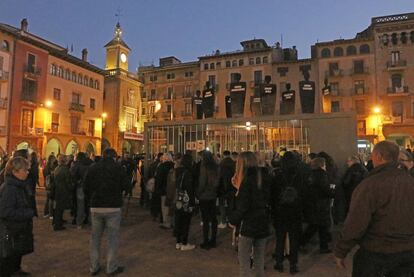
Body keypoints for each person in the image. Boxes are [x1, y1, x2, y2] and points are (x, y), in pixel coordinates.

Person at [334, 141, 414, 277]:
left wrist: (341, 250)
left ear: (379, 156)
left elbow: (356, 222)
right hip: (407, 252)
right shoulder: (409, 181)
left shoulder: (370, 185)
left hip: (376, 253)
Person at [84, 148, 129, 276]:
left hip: (96, 206)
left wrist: (92, 199)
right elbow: (127, 185)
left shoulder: (93, 168)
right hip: (113, 207)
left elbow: (86, 186)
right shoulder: (118, 168)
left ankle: (94, 267)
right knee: (112, 239)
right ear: (114, 157)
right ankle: (111, 267)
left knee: (95, 238)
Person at [229, 152, 270, 277]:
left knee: (244, 263)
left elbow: (243, 206)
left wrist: (233, 220)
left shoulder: (246, 181)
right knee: (259, 262)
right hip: (263, 223)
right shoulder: (265, 177)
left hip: (248, 225)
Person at [0, 157, 35, 276]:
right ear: (15, 172)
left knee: (16, 253)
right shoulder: (9, 189)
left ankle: (16, 270)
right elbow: (5, 212)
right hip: (11, 229)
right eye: (24, 170)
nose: (27, 172)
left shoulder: (19, 186)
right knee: (8, 258)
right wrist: (27, 213)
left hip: (18, 229)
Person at [271, 151, 303, 274]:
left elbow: (273, 195)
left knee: (280, 238)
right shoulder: (299, 176)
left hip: (280, 210)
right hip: (295, 211)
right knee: (294, 239)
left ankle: (279, 262)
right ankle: (293, 264)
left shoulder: (278, 175)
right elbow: (303, 194)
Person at [301, 157, 332, 254]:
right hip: (321, 204)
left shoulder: (309, 174)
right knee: (320, 226)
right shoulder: (322, 175)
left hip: (312, 204)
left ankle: (303, 243)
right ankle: (323, 246)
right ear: (322, 165)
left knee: (314, 226)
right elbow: (325, 189)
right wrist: (332, 191)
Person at [197, 151, 219, 249]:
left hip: (204, 196)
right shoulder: (216, 167)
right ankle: (213, 240)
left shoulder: (204, 167)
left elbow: (202, 182)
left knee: (205, 220)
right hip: (213, 195)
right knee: (213, 219)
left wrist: (198, 193)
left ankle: (206, 241)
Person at [174, 154, 196, 250]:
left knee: (178, 220)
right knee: (186, 222)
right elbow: (189, 189)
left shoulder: (177, 171)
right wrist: (192, 202)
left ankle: (178, 242)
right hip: (186, 199)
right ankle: (184, 243)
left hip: (178, 198)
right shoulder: (188, 173)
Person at [70, 152, 93, 228]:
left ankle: (79, 222)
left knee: (80, 205)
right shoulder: (91, 164)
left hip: (80, 187)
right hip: (89, 187)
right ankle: (88, 220)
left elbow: (72, 176)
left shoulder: (77, 165)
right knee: (89, 204)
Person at [51, 155, 73, 231]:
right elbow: (68, 181)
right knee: (59, 208)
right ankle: (57, 225)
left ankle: (57, 221)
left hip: (57, 190)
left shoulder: (57, 168)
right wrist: (71, 188)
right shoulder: (65, 169)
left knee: (58, 207)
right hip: (63, 190)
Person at [155, 153, 175, 229]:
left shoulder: (161, 166)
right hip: (173, 190)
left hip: (164, 190)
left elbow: (159, 179)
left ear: (164, 158)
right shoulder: (174, 165)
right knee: (172, 206)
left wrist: (158, 189)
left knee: (165, 207)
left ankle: (166, 222)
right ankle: (172, 222)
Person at [217, 150, 235, 229]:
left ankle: (223, 221)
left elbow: (219, 176)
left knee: (222, 205)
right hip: (232, 186)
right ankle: (231, 220)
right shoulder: (233, 163)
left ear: (223, 155)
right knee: (231, 204)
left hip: (222, 187)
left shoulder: (221, 164)